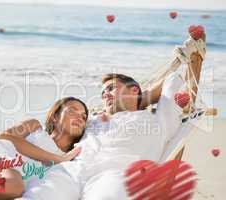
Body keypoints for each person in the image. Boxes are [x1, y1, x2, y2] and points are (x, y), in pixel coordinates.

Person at [18, 34, 206, 200]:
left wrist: (194, 54)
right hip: (72, 171)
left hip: (115, 174)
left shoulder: (157, 120)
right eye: (102, 92)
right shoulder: (90, 119)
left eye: (110, 88)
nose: (104, 94)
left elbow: (176, 83)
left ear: (134, 90)